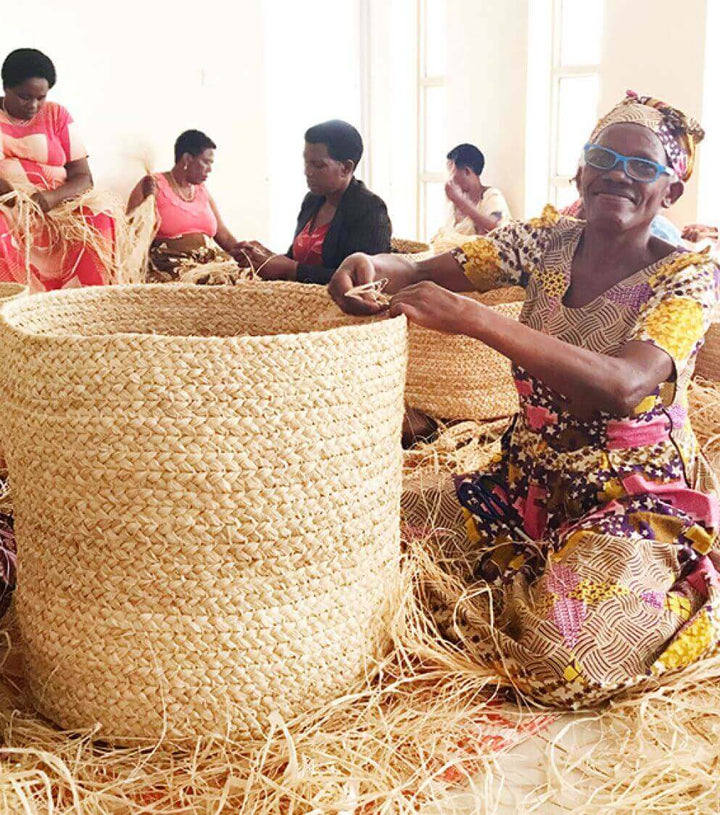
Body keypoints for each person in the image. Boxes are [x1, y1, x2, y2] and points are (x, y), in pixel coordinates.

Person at [330, 91, 720, 706]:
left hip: (629, 501)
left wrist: (476, 320)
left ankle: (662, 590)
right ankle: (538, 572)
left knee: (558, 662)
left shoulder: (687, 277)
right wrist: (371, 263)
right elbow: (422, 269)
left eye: (643, 166)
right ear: (582, 171)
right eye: (604, 158)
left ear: (670, 191)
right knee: (365, 529)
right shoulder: (545, 243)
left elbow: (625, 385)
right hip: (523, 483)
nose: (618, 175)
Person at [0, 48, 116, 291]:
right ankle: (14, 299)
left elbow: (84, 178)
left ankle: (83, 301)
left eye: (40, 97)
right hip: (11, 205)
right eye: (24, 97)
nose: (33, 105)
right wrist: (17, 201)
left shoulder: (57, 115)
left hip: (58, 204)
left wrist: (51, 198)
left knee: (101, 214)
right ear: (5, 87)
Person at [234, 120, 391, 285]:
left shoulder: (370, 210)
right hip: (301, 297)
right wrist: (264, 257)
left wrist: (291, 270)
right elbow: (297, 261)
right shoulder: (313, 200)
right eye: (306, 162)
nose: (307, 172)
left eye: (318, 165)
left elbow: (363, 281)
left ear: (345, 168)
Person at [126, 130, 243, 283]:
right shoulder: (152, 185)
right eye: (206, 162)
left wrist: (247, 253)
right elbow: (131, 235)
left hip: (210, 264)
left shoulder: (202, 191)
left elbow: (224, 237)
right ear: (187, 159)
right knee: (212, 281)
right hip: (173, 268)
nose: (210, 169)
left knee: (246, 278)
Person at [432, 143, 511, 253]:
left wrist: (461, 202)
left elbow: (496, 227)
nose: (449, 179)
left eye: (451, 172)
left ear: (467, 171)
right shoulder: (452, 205)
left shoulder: (491, 196)